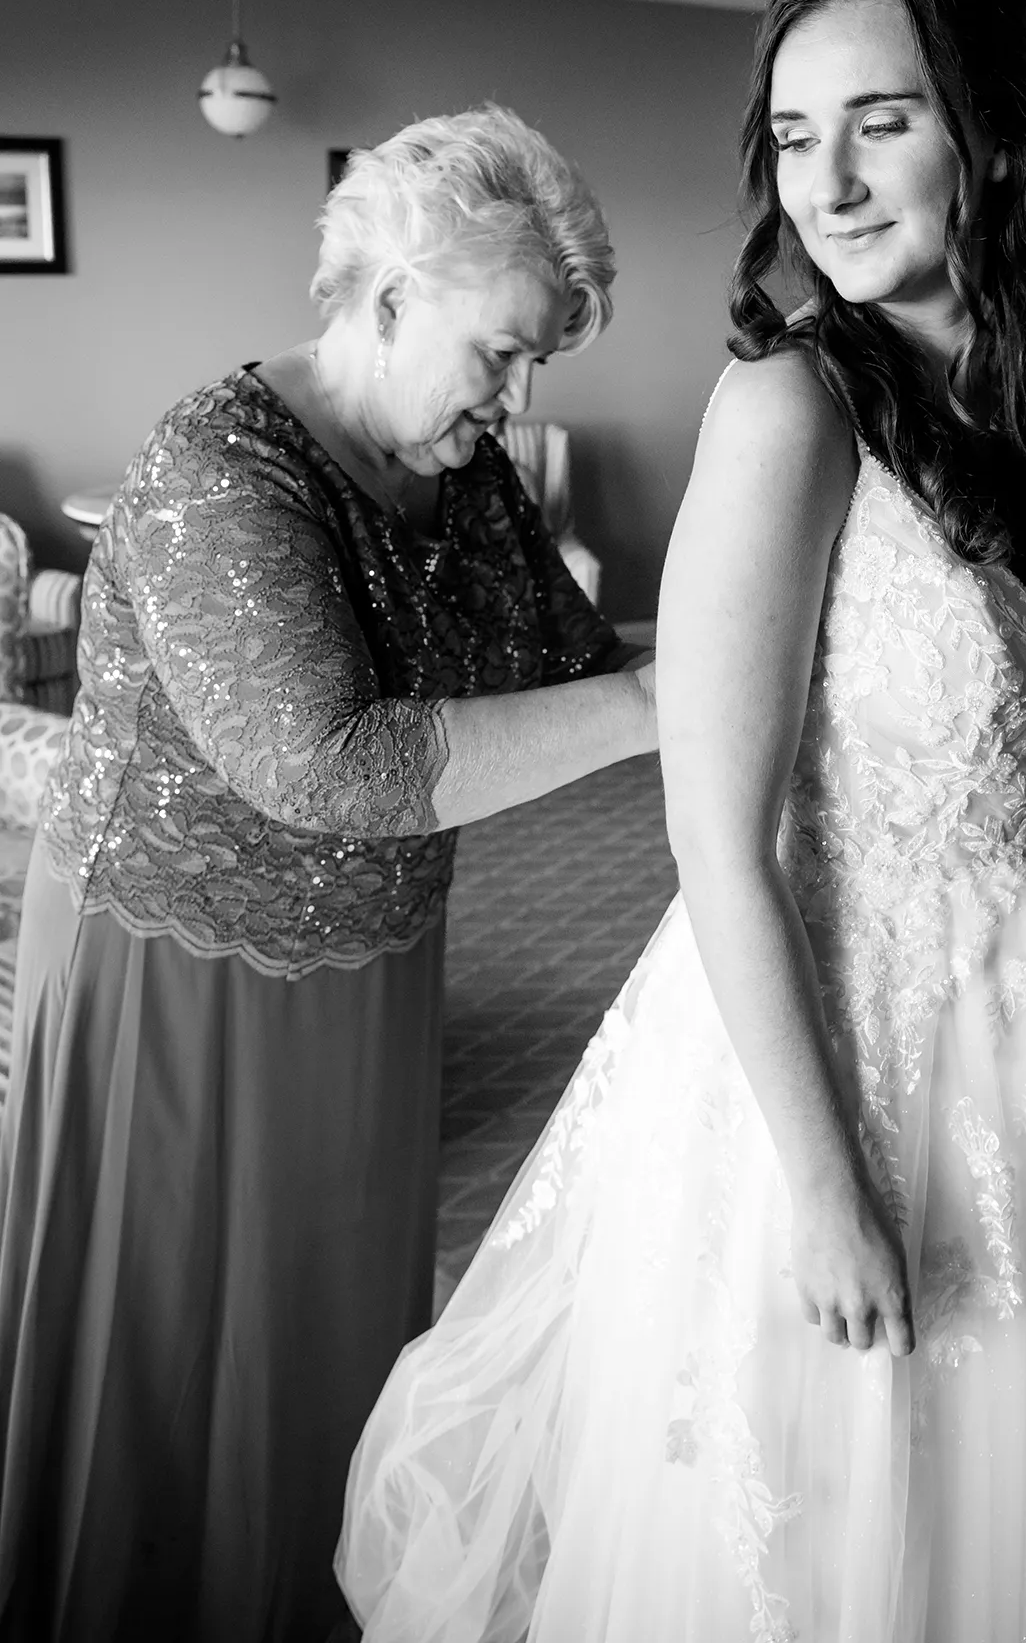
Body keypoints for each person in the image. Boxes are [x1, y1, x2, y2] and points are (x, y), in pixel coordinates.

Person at [338, 0, 1026, 1641]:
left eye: (882, 120)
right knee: (826, 1518)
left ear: (993, 131)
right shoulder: (792, 410)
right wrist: (822, 1188)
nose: (832, 184)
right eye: (798, 136)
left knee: (1004, 1498)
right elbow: (714, 836)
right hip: (837, 1047)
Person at [0, 105, 656, 1643]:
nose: (516, 396)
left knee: (326, 1332)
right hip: (176, 962)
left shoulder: (461, 466)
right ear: (389, 298)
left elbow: (561, 660)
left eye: (538, 362)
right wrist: (652, 705)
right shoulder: (218, 466)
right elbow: (330, 766)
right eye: (501, 351)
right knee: (156, 1355)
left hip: (370, 962)